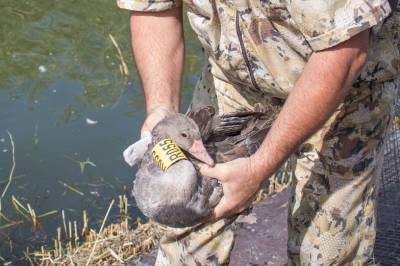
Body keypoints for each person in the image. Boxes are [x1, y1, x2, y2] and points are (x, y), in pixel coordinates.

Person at [118, 0, 399, 265]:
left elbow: (345, 53)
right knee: (185, 216)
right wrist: (162, 111)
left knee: (326, 250)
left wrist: (258, 167)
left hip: (343, 90)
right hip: (232, 78)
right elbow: (154, 9)